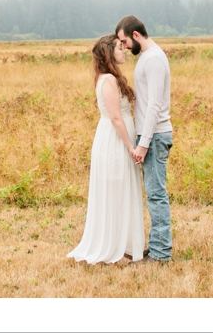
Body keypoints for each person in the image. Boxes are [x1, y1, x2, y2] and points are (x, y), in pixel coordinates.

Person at [67, 34, 145, 265]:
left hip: (116, 138)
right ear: (109, 53)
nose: (124, 51)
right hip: (115, 141)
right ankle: (114, 247)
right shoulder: (109, 80)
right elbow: (115, 117)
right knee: (115, 190)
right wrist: (131, 146)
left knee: (121, 189)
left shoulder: (110, 77)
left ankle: (124, 243)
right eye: (120, 48)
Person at [115, 15, 173, 263]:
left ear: (135, 35)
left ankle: (161, 254)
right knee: (153, 193)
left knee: (156, 194)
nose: (125, 46)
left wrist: (143, 143)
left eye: (124, 41)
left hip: (156, 135)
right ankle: (158, 245)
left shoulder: (154, 60)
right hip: (152, 134)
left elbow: (154, 106)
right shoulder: (148, 59)